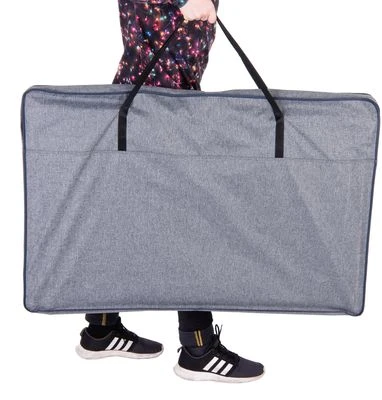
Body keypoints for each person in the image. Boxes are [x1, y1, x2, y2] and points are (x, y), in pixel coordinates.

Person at [75, 0, 264, 383]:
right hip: (156, 103)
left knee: (130, 216)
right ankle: (198, 349)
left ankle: (102, 327)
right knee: (190, 222)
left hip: (161, 99)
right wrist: (185, 4)